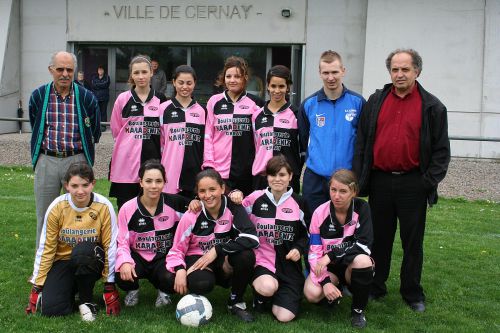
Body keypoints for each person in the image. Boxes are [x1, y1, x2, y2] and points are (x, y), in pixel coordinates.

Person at [352, 48, 450, 313]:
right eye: (395, 69)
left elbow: (442, 152)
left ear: (417, 71)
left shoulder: (432, 107)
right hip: (380, 181)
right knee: (379, 239)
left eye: (405, 69)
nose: (399, 74)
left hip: (413, 184)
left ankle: (412, 292)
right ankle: (376, 286)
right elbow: (362, 141)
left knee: (412, 242)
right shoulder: (376, 101)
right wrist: (361, 176)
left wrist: (426, 182)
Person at [26, 162, 119, 321]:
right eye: (74, 185)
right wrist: (37, 285)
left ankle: (86, 301)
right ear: (66, 185)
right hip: (64, 261)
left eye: (85, 185)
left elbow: (110, 246)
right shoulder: (57, 207)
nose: (80, 191)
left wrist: (109, 284)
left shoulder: (104, 206)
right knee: (53, 309)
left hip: (91, 259)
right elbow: (46, 247)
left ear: (93, 184)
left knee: (82, 252)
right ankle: (71, 289)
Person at [29, 51, 101, 249]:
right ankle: (42, 267)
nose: (65, 74)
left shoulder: (87, 97)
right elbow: (35, 123)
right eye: (60, 69)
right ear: (51, 70)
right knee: (45, 215)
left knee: (79, 214)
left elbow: (94, 130)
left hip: (77, 160)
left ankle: (78, 261)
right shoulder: (38, 95)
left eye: (69, 69)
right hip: (47, 160)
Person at [166, 169, 259, 322]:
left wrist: (217, 249)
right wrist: (180, 269)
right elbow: (176, 250)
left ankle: (235, 302)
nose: (208, 195)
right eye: (202, 191)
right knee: (202, 283)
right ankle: (198, 295)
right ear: (197, 193)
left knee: (246, 256)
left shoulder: (234, 208)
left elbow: (252, 238)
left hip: (224, 261)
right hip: (199, 259)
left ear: (222, 188)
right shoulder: (191, 215)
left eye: (212, 189)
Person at [229, 155, 310, 322]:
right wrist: (234, 194)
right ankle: (261, 295)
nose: (277, 179)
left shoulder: (299, 202)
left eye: (282, 175)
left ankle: (270, 299)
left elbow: (307, 234)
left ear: (290, 176)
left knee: (284, 317)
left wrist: (298, 248)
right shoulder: (254, 198)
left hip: (289, 266)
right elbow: (232, 214)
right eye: (273, 175)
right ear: (267, 177)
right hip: (262, 261)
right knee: (267, 287)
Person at [115, 160, 191, 308]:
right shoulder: (127, 208)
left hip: (164, 257)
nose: (154, 186)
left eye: (158, 181)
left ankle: (164, 292)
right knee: (120, 273)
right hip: (138, 256)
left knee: (172, 278)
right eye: (148, 181)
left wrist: (195, 204)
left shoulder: (176, 203)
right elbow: (122, 242)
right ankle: (132, 290)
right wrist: (124, 261)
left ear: (165, 182)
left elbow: (200, 208)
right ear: (141, 182)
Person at [303, 169, 373, 329]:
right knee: (311, 294)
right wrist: (325, 282)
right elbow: (314, 253)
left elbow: (364, 245)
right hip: (330, 269)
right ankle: (334, 291)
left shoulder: (362, 208)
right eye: (333, 190)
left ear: (353, 192)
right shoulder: (319, 213)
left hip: (351, 265)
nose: (336, 196)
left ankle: (357, 310)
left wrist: (332, 254)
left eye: (343, 191)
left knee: (363, 261)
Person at [298, 50, 365, 213]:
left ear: (343, 70)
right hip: (316, 178)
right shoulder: (308, 104)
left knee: (344, 226)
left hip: (346, 178)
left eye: (335, 72)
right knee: (313, 223)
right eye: (326, 73)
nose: (331, 77)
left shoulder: (358, 103)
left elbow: (363, 141)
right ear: (319, 73)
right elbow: (303, 139)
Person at [109, 54, 167, 210]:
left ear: (151, 73)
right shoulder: (122, 99)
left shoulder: (161, 100)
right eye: (136, 73)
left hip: (153, 163)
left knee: (152, 209)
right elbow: (116, 131)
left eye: (144, 72)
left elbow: (164, 134)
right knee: (126, 209)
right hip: (126, 165)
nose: (140, 76)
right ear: (131, 75)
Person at [203, 56, 264, 196]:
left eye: (237, 76)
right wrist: (209, 164)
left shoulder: (256, 103)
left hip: (247, 172)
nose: (232, 80)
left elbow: (260, 139)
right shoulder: (214, 101)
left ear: (245, 78)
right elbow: (208, 135)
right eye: (228, 76)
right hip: (219, 170)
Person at [252, 65, 303, 193]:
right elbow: (255, 147)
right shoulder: (257, 114)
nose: (277, 90)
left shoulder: (297, 113)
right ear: (268, 86)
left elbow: (301, 149)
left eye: (281, 86)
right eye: (273, 86)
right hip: (262, 178)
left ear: (287, 87)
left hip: (287, 179)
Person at [160, 65, 206, 199]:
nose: (184, 87)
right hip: (170, 174)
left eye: (189, 83)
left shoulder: (203, 111)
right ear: (173, 82)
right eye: (180, 82)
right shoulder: (163, 109)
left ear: (194, 83)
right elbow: (160, 142)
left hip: (195, 174)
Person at [91, 65, 111, 132]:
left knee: (103, 112)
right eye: (99, 70)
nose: (100, 71)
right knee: (96, 112)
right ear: (97, 71)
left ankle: (103, 126)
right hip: (96, 98)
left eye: (101, 70)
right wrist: (100, 85)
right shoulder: (94, 77)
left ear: (103, 71)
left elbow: (105, 84)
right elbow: (93, 85)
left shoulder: (106, 77)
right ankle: (97, 125)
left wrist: (98, 85)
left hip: (104, 98)